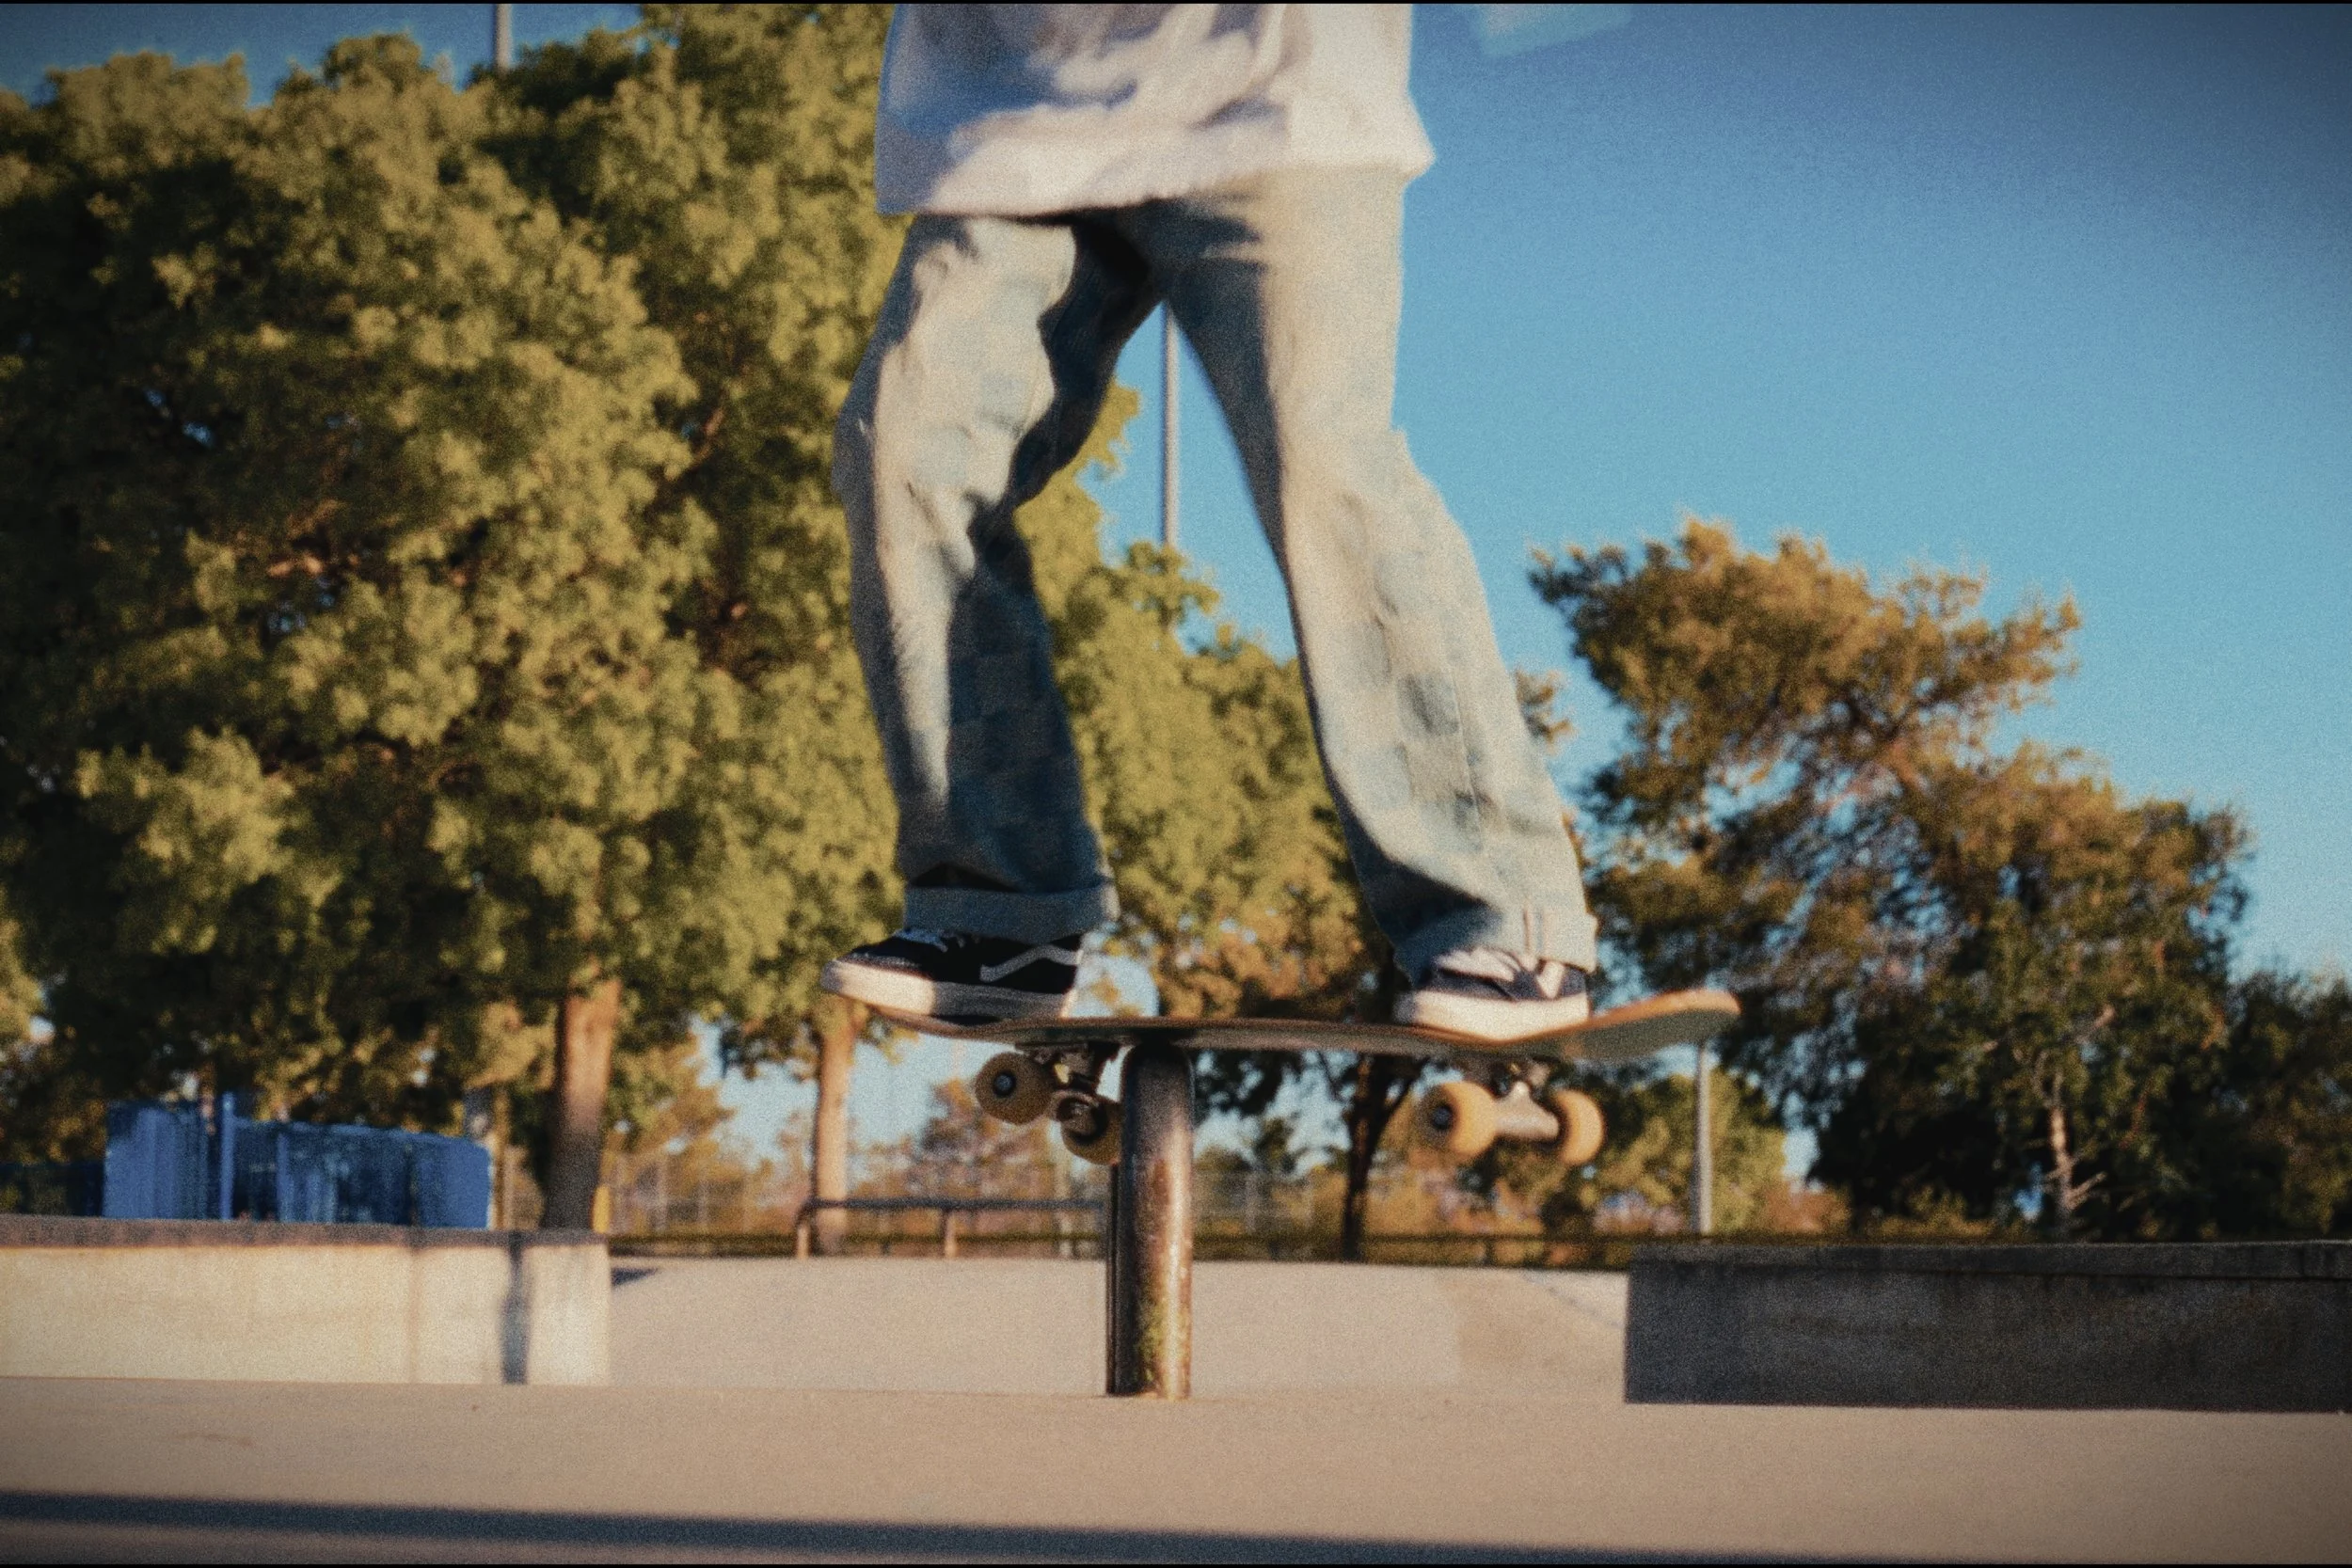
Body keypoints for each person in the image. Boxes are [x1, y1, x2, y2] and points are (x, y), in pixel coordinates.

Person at [821, 4, 1597, 1043]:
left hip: (1274, 94)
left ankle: (1504, 910)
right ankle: (1000, 908)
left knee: (1320, 458)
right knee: (905, 454)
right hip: (1011, 123)